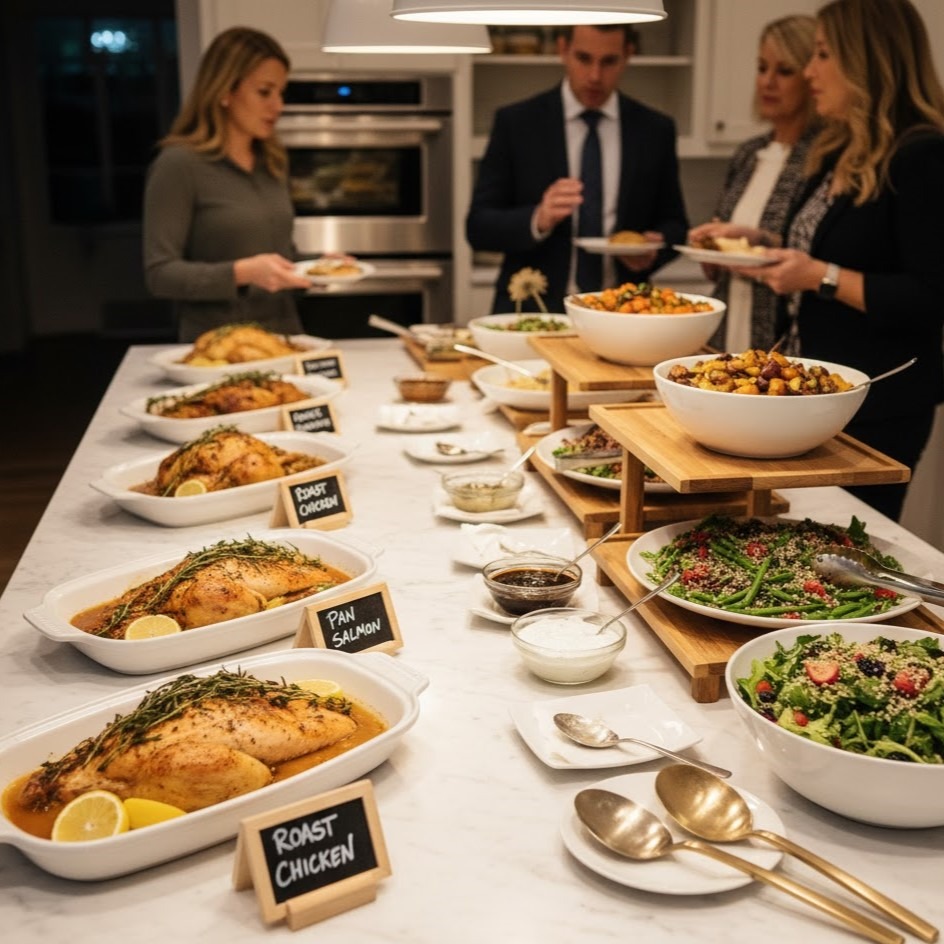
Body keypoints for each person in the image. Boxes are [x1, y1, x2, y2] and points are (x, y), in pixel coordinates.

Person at [702, 0, 944, 522]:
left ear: (867, 61)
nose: (811, 71)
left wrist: (822, 278)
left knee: (847, 559)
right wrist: (762, 242)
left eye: (822, 55)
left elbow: (929, 296)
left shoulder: (922, 154)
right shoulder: (841, 148)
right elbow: (829, 250)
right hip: (819, 398)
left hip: (878, 400)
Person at [465, 24, 688, 314]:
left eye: (609, 61)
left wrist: (653, 250)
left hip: (623, 315)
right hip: (534, 311)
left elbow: (675, 224)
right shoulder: (517, 123)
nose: (595, 76)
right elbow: (478, 227)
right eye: (584, 59)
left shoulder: (654, 129)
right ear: (563, 50)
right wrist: (538, 218)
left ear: (628, 55)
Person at [143, 27, 310, 342]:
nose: (278, 106)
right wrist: (243, 272)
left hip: (285, 340)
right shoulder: (178, 165)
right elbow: (160, 274)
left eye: (281, 92)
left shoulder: (272, 162)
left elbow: (279, 256)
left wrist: (316, 266)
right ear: (225, 91)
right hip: (217, 349)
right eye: (265, 91)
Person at [688, 15, 819, 352]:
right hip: (727, 331)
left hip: (786, 341)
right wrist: (711, 249)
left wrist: (756, 243)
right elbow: (725, 247)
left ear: (810, 76)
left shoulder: (823, 157)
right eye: (762, 68)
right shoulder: (749, 153)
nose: (767, 82)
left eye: (784, 71)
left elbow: (813, 254)